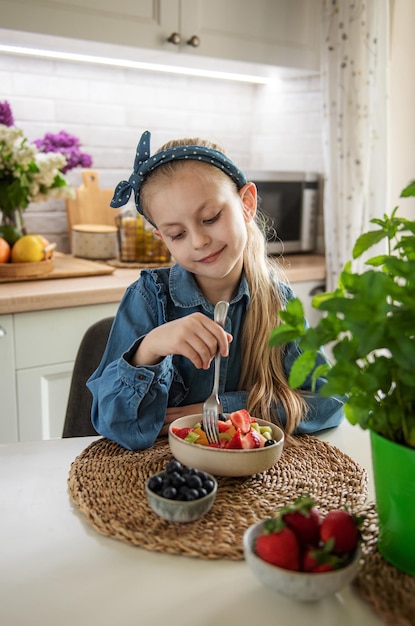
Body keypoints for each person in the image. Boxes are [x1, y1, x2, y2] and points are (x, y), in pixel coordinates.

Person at [87, 130, 344, 451]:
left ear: (247, 203)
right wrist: (149, 348)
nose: (198, 241)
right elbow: (113, 424)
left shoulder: (277, 300)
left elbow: (330, 400)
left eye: (210, 218)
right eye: (177, 234)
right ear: (162, 239)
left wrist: (229, 407)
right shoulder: (147, 297)